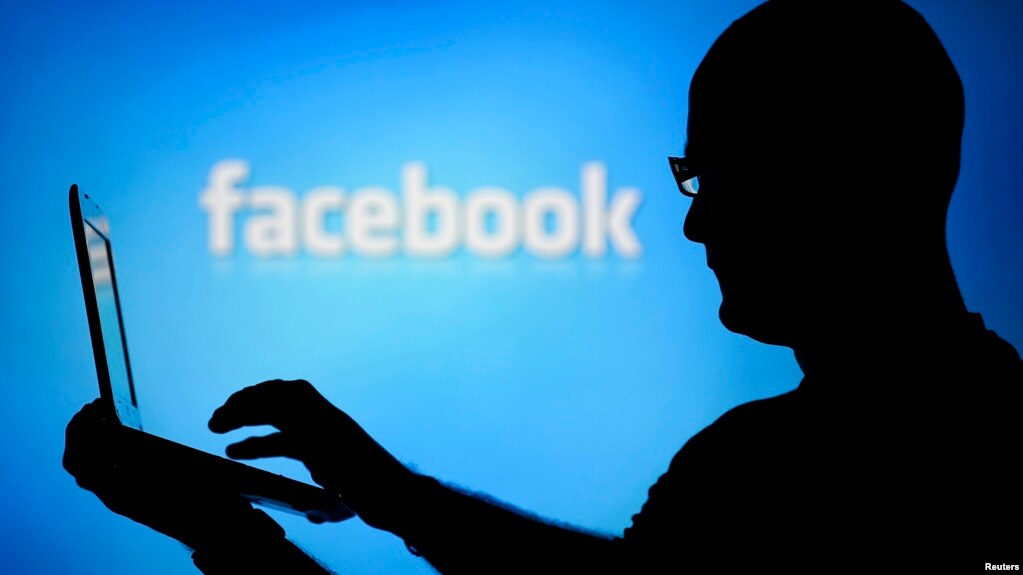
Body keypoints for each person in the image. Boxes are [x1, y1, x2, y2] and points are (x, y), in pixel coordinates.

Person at [64, 0, 1022, 572]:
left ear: (835, 169)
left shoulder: (773, 472)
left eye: (709, 174)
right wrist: (382, 491)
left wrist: (217, 530)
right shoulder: (929, 437)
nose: (694, 221)